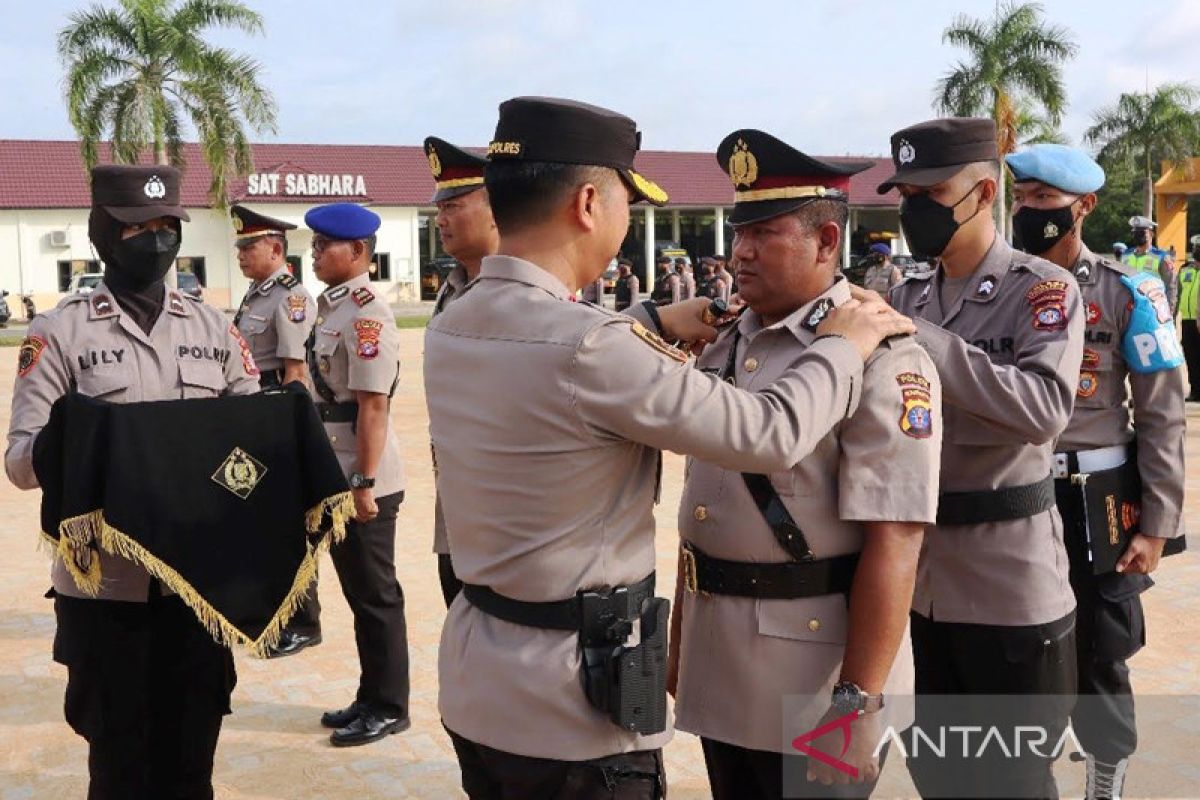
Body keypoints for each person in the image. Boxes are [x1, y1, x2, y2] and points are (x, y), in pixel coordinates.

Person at [424, 95, 915, 800]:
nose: (630, 220)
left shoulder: (454, 325)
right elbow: (768, 432)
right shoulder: (596, 349)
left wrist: (649, 317)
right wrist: (844, 340)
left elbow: (550, 352)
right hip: (572, 713)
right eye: (628, 200)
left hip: (480, 684)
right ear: (590, 203)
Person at [671, 128, 941, 800]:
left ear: (826, 243)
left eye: (765, 232)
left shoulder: (882, 355)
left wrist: (857, 704)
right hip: (722, 662)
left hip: (815, 681)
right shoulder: (729, 338)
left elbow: (897, 538)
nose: (741, 251)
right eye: (740, 232)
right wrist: (682, 641)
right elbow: (702, 508)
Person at [5, 165, 261, 798]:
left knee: (192, 762)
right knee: (119, 768)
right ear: (102, 236)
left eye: (165, 226)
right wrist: (82, 443)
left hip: (197, 591)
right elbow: (19, 463)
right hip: (105, 594)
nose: (153, 240)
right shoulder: (58, 333)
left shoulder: (214, 328)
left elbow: (254, 442)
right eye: (134, 228)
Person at [881, 119, 1084, 798]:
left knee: (1012, 782)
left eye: (933, 191)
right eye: (907, 192)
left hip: (1009, 586)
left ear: (984, 193)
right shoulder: (903, 295)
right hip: (916, 586)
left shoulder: (1043, 291)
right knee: (937, 775)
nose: (917, 209)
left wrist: (924, 343)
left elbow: (1041, 411)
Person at [1007, 143, 1187, 800]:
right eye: (1021, 200)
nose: (1028, 213)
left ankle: (1105, 771)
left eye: (1043, 202)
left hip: (1101, 500)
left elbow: (1163, 412)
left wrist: (1159, 522)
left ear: (1082, 207)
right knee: (1024, 642)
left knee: (1102, 649)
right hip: (1020, 495)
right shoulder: (1002, 287)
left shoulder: (1127, 291)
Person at [305, 202, 411, 747]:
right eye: (315, 244)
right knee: (359, 594)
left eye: (325, 245)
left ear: (360, 252)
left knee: (376, 596)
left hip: (363, 476)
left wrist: (363, 483)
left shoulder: (368, 313)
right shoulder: (334, 308)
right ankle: (371, 695)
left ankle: (390, 706)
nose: (316, 253)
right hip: (340, 467)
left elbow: (372, 405)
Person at [230, 205, 323, 658]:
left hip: (276, 416)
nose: (242, 255)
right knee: (263, 520)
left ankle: (303, 620)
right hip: (254, 412)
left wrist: (286, 434)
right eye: (240, 247)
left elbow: (294, 373)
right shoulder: (255, 295)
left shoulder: (290, 297)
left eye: (250, 246)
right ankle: (277, 610)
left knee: (290, 523)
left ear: (276, 249)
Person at [424, 136, 499, 607]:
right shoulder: (451, 290)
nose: (442, 217)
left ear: (497, 209)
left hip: (505, 516)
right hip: (455, 506)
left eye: (454, 203)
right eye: (440, 206)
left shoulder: (527, 290)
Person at [1122, 216, 1176, 313]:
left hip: (1153, 311)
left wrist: (1169, 312)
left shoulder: (1161, 257)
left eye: (1142, 233)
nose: (1138, 236)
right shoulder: (1125, 256)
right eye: (1135, 233)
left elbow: (1170, 287)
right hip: (1128, 311)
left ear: (1151, 234)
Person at [1179, 237, 1200, 401]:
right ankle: (1195, 390)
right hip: (1187, 320)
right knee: (1191, 357)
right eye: (1196, 247)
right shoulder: (1185, 269)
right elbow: (1178, 292)